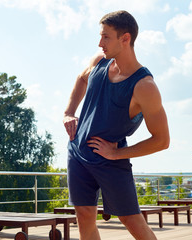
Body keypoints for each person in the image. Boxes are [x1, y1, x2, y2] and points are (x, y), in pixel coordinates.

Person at [63, 10, 170, 240]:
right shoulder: (99, 62)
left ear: (125, 38)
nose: (99, 43)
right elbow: (82, 78)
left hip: (112, 161)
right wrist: (69, 112)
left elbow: (162, 140)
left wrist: (117, 153)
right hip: (78, 152)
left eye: (105, 37)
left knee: (132, 222)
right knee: (84, 216)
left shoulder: (144, 86)